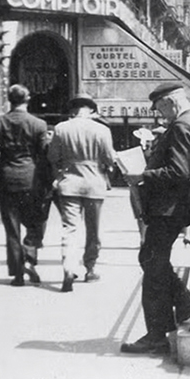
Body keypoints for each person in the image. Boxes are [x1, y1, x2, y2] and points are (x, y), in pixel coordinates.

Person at [119, 80, 190, 355]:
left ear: (171, 102)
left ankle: (157, 333)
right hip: (175, 206)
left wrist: (142, 175)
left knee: (151, 262)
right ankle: (182, 303)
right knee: (152, 259)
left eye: (161, 108)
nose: (161, 114)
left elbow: (178, 171)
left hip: (169, 207)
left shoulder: (182, 125)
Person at [47, 94, 117, 292]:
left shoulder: (61, 128)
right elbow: (110, 159)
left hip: (69, 183)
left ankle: (69, 267)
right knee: (93, 229)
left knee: (70, 229)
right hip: (95, 184)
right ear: (92, 110)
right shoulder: (102, 129)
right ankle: (90, 267)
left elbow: (53, 156)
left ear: (72, 110)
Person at [0, 84, 49, 286]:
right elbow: (43, 155)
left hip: (6, 179)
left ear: (9, 100)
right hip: (31, 179)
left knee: (12, 228)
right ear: (27, 99)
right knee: (36, 222)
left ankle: (18, 273)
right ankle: (30, 256)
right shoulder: (38, 124)